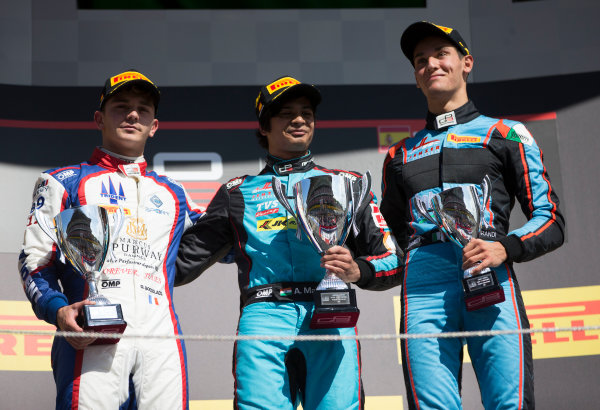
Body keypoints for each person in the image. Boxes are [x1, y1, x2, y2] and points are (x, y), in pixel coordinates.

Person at [176, 76, 403, 409]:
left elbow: (395, 260)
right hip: (264, 319)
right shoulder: (237, 193)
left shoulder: (348, 186)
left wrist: (358, 270)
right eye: (286, 113)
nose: (299, 119)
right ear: (264, 127)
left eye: (306, 113)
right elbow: (181, 263)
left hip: (331, 320)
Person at [380, 21, 565, 409]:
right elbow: (394, 235)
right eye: (420, 60)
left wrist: (506, 247)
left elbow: (550, 219)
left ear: (466, 63)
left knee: (508, 403)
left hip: (491, 277)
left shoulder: (506, 133)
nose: (431, 64)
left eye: (441, 54)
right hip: (423, 289)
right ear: (415, 78)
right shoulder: (398, 155)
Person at [18, 70, 202, 409]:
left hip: (160, 340)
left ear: (154, 125)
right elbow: (34, 262)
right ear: (99, 118)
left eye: (143, 109)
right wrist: (59, 312)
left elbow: (230, 238)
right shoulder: (63, 181)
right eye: (121, 106)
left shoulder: (174, 193)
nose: (133, 115)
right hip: (90, 335)